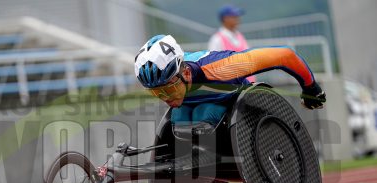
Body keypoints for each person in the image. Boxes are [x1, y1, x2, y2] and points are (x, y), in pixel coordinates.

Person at [134, 35, 326, 126]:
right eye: (156, 93)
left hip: (236, 101)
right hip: (196, 105)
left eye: (168, 90)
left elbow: (285, 55)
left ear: (185, 74)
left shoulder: (223, 67)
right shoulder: (175, 80)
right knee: (178, 121)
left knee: (204, 115)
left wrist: (311, 88)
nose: (165, 98)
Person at [208, 4, 255, 82]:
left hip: (248, 83)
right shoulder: (217, 39)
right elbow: (212, 64)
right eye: (234, 16)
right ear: (225, 18)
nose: (238, 19)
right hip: (230, 86)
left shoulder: (240, 36)